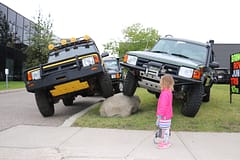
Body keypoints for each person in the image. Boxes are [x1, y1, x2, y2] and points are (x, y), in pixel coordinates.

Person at [155, 74, 174, 149]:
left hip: (164, 116)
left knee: (163, 130)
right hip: (168, 115)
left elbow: (163, 106)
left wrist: (159, 116)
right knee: (166, 129)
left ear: (164, 83)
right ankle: (165, 141)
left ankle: (165, 142)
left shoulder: (164, 94)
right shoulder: (169, 92)